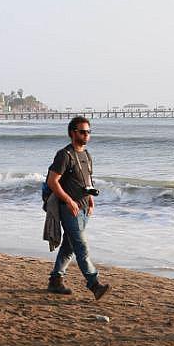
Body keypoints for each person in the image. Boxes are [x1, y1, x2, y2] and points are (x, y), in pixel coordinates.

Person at [45, 117, 111, 300]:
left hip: (83, 208)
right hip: (69, 209)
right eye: (82, 132)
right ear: (72, 133)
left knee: (69, 246)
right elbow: (52, 181)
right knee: (81, 246)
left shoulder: (87, 155)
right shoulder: (64, 155)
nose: (86, 135)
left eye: (88, 132)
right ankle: (94, 284)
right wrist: (69, 201)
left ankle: (55, 280)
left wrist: (90, 199)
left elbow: (87, 180)